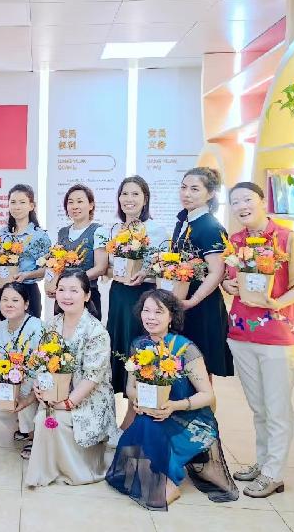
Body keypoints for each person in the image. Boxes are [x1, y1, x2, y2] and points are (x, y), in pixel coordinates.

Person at [107, 289, 239, 509]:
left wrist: (173, 406)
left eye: (158, 312)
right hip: (153, 413)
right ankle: (158, 476)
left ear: (172, 317)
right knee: (128, 460)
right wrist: (137, 401)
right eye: (146, 311)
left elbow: (208, 396)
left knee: (148, 429)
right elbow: (131, 387)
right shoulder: (139, 345)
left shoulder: (185, 349)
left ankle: (168, 483)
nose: (151, 317)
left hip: (188, 418)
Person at [222, 182, 294, 498]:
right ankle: (263, 462)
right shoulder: (236, 241)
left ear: (262, 201)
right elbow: (230, 280)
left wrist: (277, 303)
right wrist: (228, 287)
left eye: (247, 199)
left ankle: (274, 474)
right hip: (241, 333)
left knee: (277, 409)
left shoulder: (288, 239)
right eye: (235, 202)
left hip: (278, 336)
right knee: (259, 407)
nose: (241, 206)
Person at [25, 269, 116, 487]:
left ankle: (75, 470)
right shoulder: (52, 324)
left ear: (87, 295)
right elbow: (42, 361)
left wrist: (68, 403)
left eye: (74, 291)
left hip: (89, 397)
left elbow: (93, 378)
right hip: (56, 391)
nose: (67, 296)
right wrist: (39, 386)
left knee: (49, 419)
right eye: (62, 289)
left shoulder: (96, 332)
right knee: (43, 415)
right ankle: (49, 468)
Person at [105, 176, 168, 438]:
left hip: (143, 298)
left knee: (138, 353)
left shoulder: (156, 230)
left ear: (145, 199)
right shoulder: (114, 230)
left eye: (135, 194)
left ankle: (132, 421)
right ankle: (116, 418)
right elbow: (109, 267)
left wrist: (145, 273)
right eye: (124, 194)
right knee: (118, 349)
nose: (129, 199)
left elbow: (163, 269)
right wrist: (117, 273)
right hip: (119, 296)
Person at [172, 167, 231, 377]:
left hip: (202, 306)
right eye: (183, 187)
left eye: (194, 189)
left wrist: (193, 300)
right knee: (181, 369)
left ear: (211, 193)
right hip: (184, 303)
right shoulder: (185, 221)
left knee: (200, 372)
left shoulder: (210, 227)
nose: (186, 194)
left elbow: (217, 271)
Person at [0, 282, 43, 459]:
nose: (9, 304)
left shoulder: (37, 327)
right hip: (10, 382)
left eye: (15, 300)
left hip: (34, 386)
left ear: (26, 304)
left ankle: (34, 436)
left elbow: (41, 366)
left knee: (23, 393)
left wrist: (26, 393)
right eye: (4, 299)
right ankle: (21, 428)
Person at [49, 184, 109, 319]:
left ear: (91, 205)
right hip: (63, 296)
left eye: (80, 201)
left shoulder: (99, 231)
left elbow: (100, 268)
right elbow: (57, 265)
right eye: (70, 202)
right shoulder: (62, 232)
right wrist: (53, 284)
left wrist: (72, 282)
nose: (75, 206)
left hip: (88, 295)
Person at [0, 184, 51, 318]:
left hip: (28, 290)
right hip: (5, 291)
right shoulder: (3, 234)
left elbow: (48, 269)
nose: (17, 207)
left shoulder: (39, 236)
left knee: (29, 330)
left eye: (22, 202)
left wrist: (26, 275)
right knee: (6, 329)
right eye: (13, 202)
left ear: (31, 206)